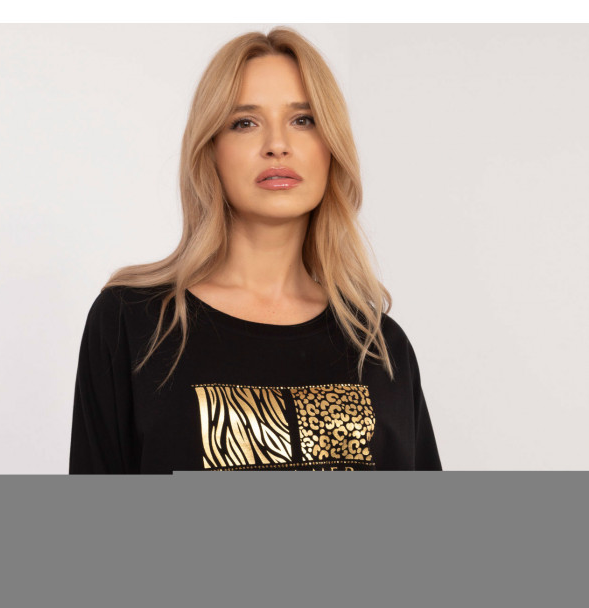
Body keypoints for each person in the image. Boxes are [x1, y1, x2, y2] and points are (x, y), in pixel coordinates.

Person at [69, 27, 442, 473]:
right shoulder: (133, 323)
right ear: (210, 150)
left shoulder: (380, 346)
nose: (277, 145)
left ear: (332, 147)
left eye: (304, 120)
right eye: (245, 122)